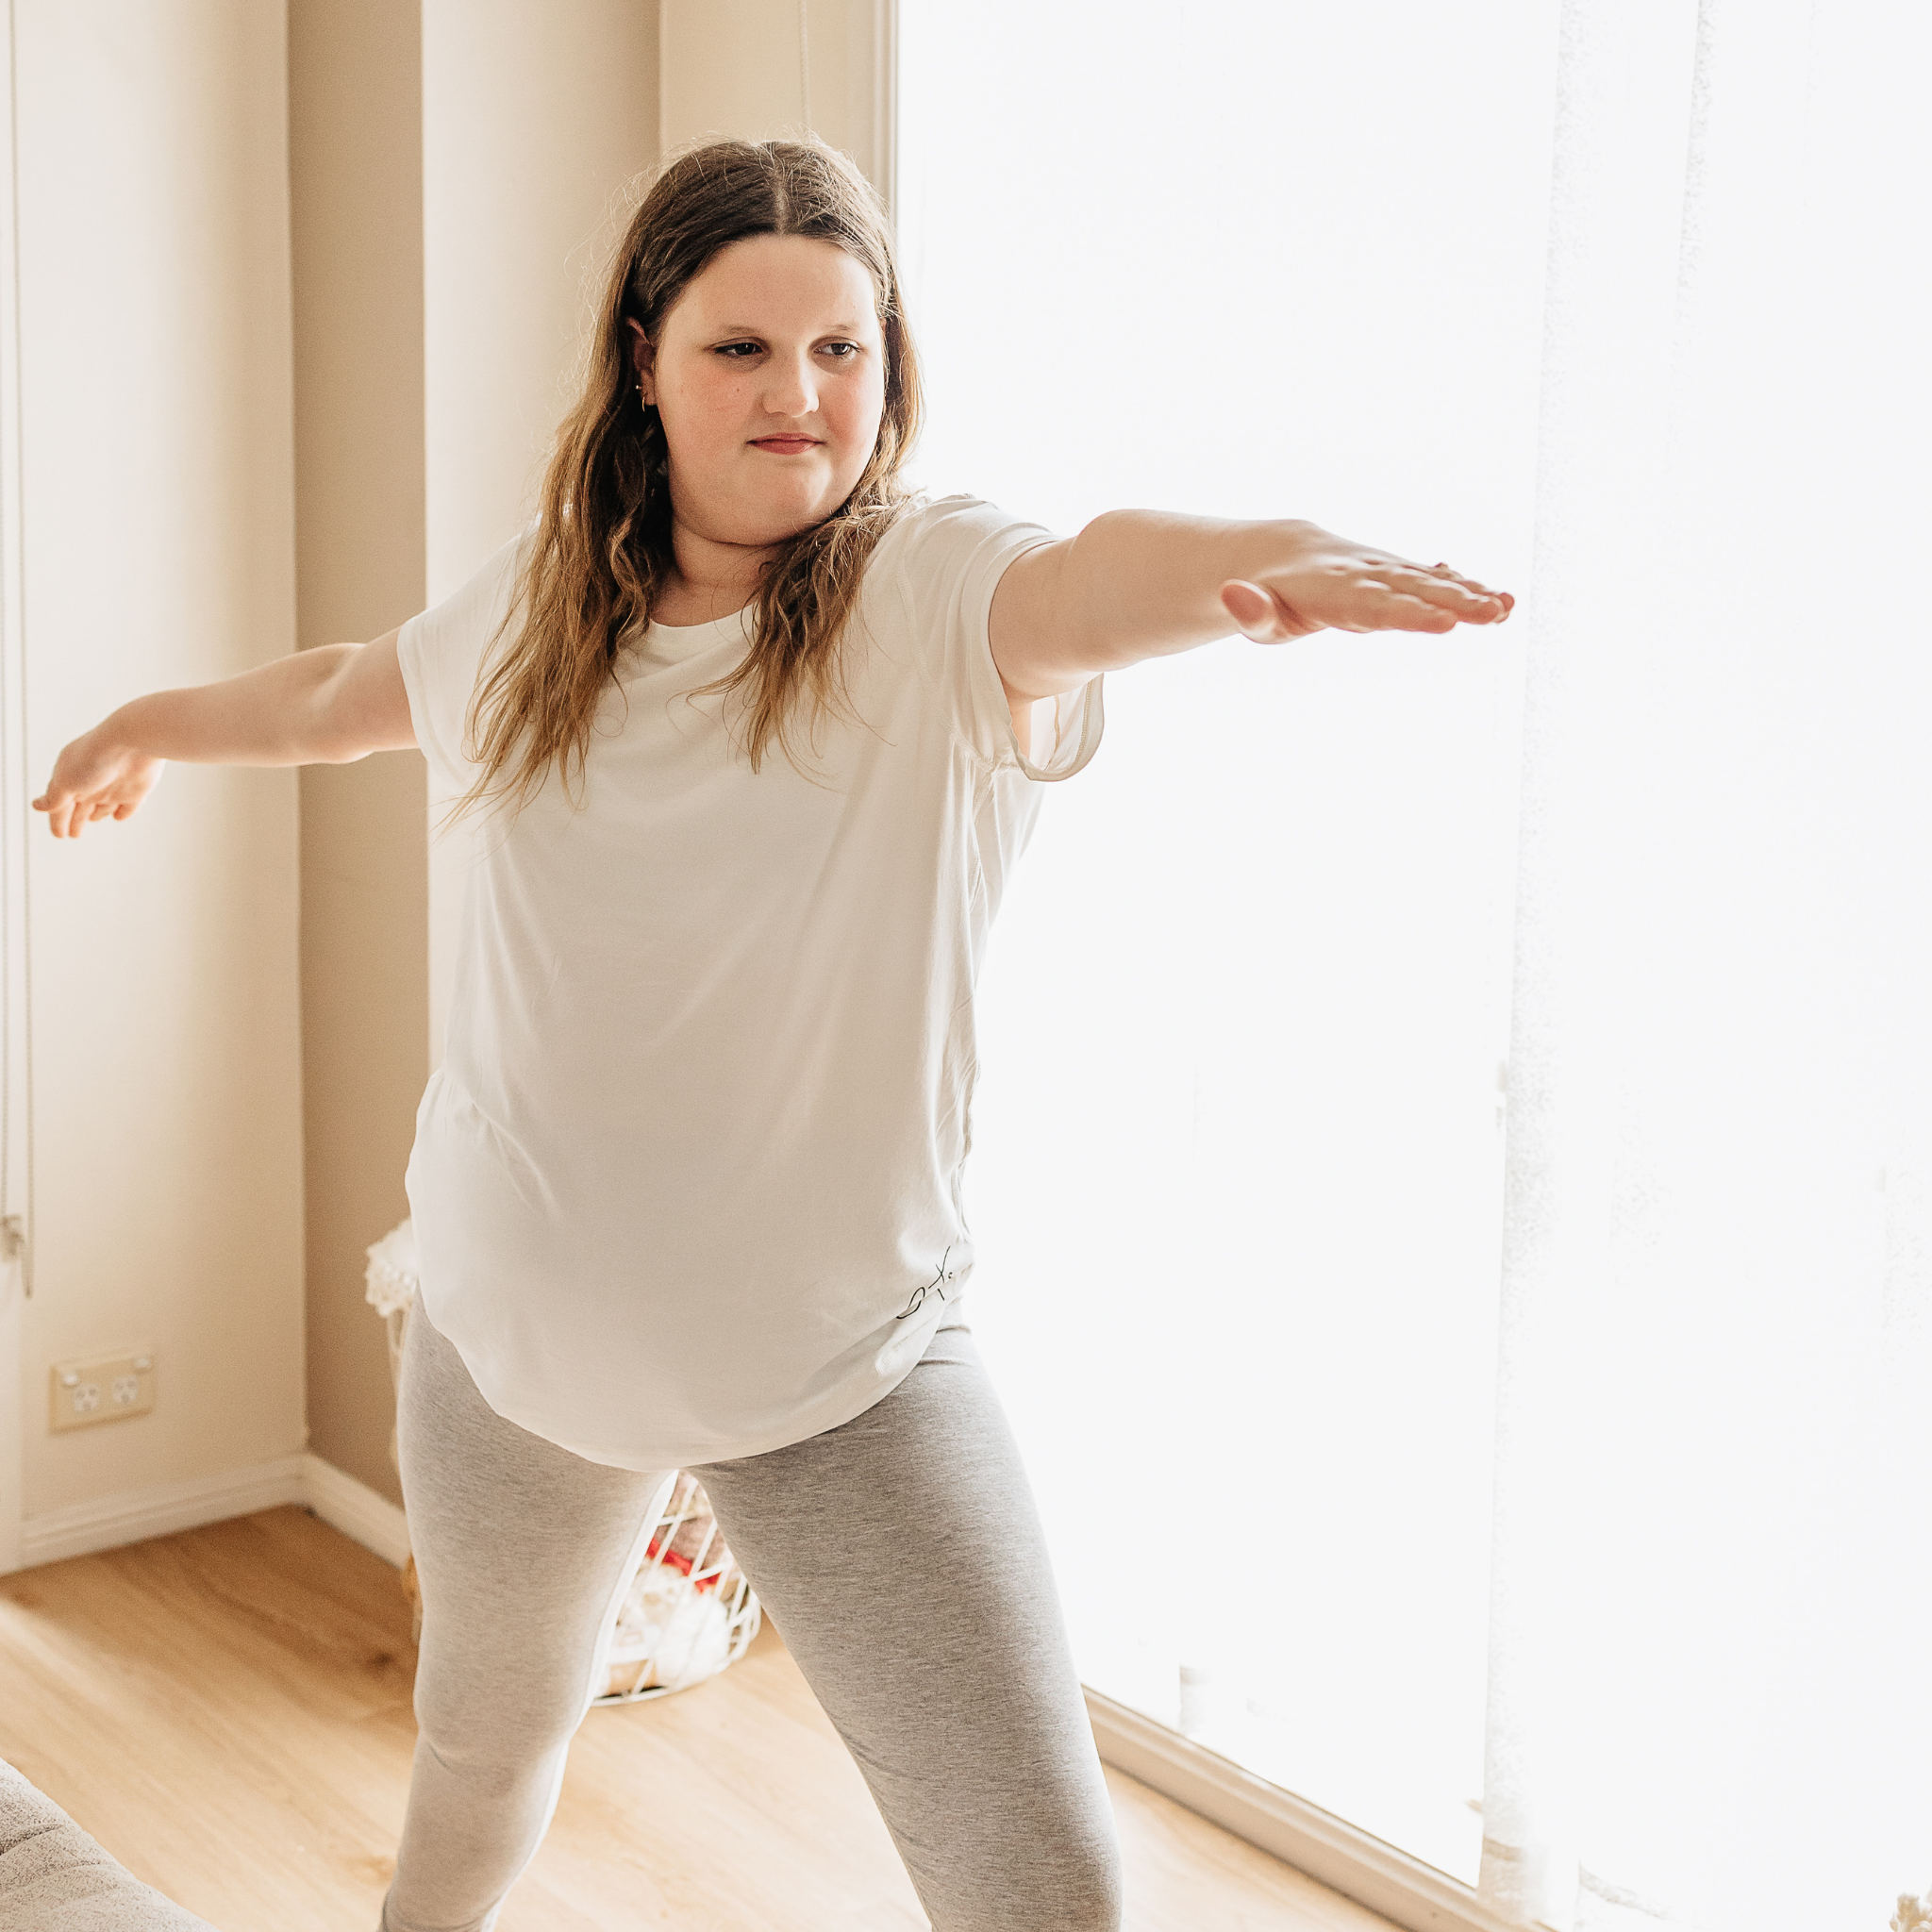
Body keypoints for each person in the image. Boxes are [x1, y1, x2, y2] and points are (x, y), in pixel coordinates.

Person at [35, 140, 1510, 1932]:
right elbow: (350, 693)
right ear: (646, 362)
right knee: (481, 1761)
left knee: (1042, 1883)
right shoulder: (533, 606)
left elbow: (1102, 572)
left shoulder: (934, 601)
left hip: (844, 1378)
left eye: (844, 348)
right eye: (742, 348)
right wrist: (146, 724)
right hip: (509, 1345)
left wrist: (1272, 559)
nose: (800, 395)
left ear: (892, 373)